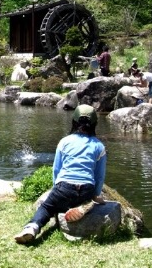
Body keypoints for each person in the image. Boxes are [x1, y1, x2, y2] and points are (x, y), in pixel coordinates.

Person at [14, 104, 107, 244]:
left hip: (65, 187)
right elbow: (99, 176)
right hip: (87, 188)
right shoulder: (99, 146)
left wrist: (55, 189)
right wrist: (96, 194)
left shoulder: (65, 142)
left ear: (74, 122)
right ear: (94, 124)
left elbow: (56, 169)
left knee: (47, 207)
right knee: (90, 200)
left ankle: (32, 227)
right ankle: (84, 205)